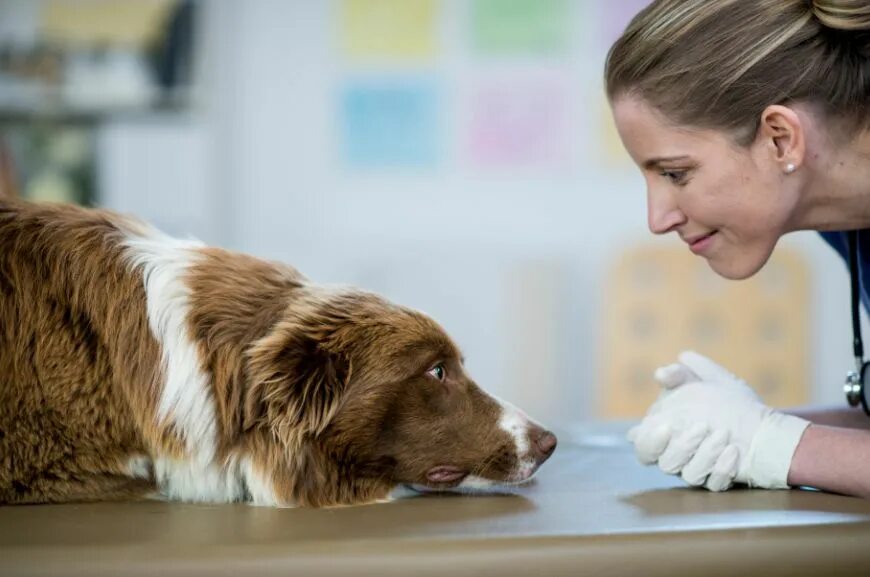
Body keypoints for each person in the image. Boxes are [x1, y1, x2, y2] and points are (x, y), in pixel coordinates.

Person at [605, 0, 870, 498]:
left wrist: (773, 444)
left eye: (675, 173)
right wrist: (731, 429)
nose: (657, 219)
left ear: (780, 139)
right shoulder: (846, 224)